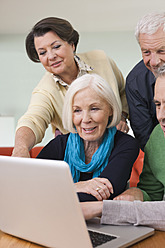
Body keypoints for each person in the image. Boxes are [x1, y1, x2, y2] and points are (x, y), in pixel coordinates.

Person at [12, 17, 129, 158]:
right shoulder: (45, 90)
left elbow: (123, 91)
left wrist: (122, 116)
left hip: (114, 148)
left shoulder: (101, 59)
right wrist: (20, 148)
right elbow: (32, 120)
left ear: (72, 45)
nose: (51, 56)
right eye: (42, 52)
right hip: (77, 156)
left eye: (56, 47)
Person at [81, 67, 165, 230]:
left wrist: (103, 208)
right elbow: (151, 192)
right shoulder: (158, 136)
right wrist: (136, 195)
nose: (161, 116)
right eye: (158, 104)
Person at [37, 73, 139, 202]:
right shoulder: (59, 145)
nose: (85, 119)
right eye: (77, 110)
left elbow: (102, 192)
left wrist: (54, 191)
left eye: (94, 108)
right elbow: (31, 186)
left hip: (104, 221)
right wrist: (78, 186)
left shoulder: (126, 145)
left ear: (111, 109)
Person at [126, 12, 165, 151]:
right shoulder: (135, 83)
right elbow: (146, 140)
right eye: (146, 52)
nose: (154, 62)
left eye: (161, 51)